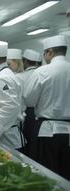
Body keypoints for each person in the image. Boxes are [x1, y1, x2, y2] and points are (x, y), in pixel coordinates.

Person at [23, 35, 70, 180]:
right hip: (69, 130)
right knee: (67, 171)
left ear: (49, 52)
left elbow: (29, 100)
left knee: (46, 173)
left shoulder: (42, 71)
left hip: (46, 131)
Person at [16, 49, 42, 157]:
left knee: (26, 139)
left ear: (25, 61)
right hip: (40, 115)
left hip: (26, 112)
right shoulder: (41, 73)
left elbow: (22, 99)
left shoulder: (20, 76)